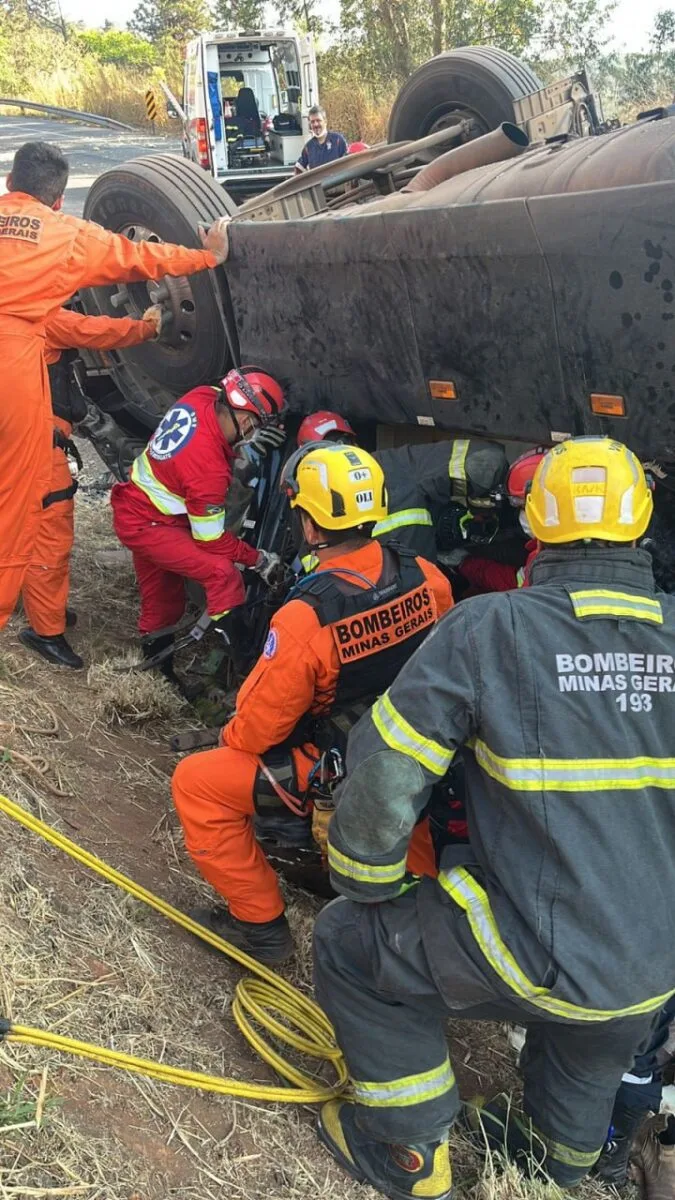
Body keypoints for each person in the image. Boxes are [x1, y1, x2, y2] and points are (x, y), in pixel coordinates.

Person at [311, 436, 675, 1200]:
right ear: (640, 531)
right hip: (651, 968)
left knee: (348, 941)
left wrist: (365, 879)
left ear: (534, 531)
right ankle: (554, 1175)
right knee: (585, 1047)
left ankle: (409, 1153)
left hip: (539, 952)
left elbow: (387, 769)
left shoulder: (492, 629)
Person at [171, 443, 453, 964]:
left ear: (310, 525)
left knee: (197, 784)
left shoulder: (307, 617)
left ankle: (261, 927)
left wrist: (228, 739)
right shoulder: (426, 578)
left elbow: (257, 730)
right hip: (421, 759)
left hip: (345, 764)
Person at [0, 140, 230, 634]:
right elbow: (137, 258)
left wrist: (140, 330)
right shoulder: (66, 237)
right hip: (11, 371)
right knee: (17, 512)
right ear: (58, 199)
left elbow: (78, 329)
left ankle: (43, 622)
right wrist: (205, 258)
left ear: (9, 185)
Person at [110, 367, 286, 684]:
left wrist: (240, 450)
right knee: (222, 574)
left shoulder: (200, 397)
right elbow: (211, 540)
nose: (253, 432)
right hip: (150, 523)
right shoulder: (208, 468)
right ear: (245, 419)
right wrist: (257, 560)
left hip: (142, 509)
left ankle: (157, 675)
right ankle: (246, 661)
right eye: (255, 425)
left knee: (163, 599)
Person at [18, 304, 163, 669]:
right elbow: (95, 330)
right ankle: (45, 631)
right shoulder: (41, 315)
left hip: (18, 439)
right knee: (50, 536)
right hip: (36, 445)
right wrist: (146, 327)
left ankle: (40, 604)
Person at [296, 411, 508, 562]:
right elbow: (485, 461)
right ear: (354, 443)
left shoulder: (309, 507)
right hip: (425, 600)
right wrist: (474, 498)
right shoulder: (396, 465)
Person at [294, 107, 348, 174]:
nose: (315, 124)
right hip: (318, 184)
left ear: (325, 121)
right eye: (312, 122)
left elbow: (349, 163)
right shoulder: (308, 147)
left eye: (318, 120)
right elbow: (299, 168)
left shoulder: (338, 140)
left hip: (337, 183)